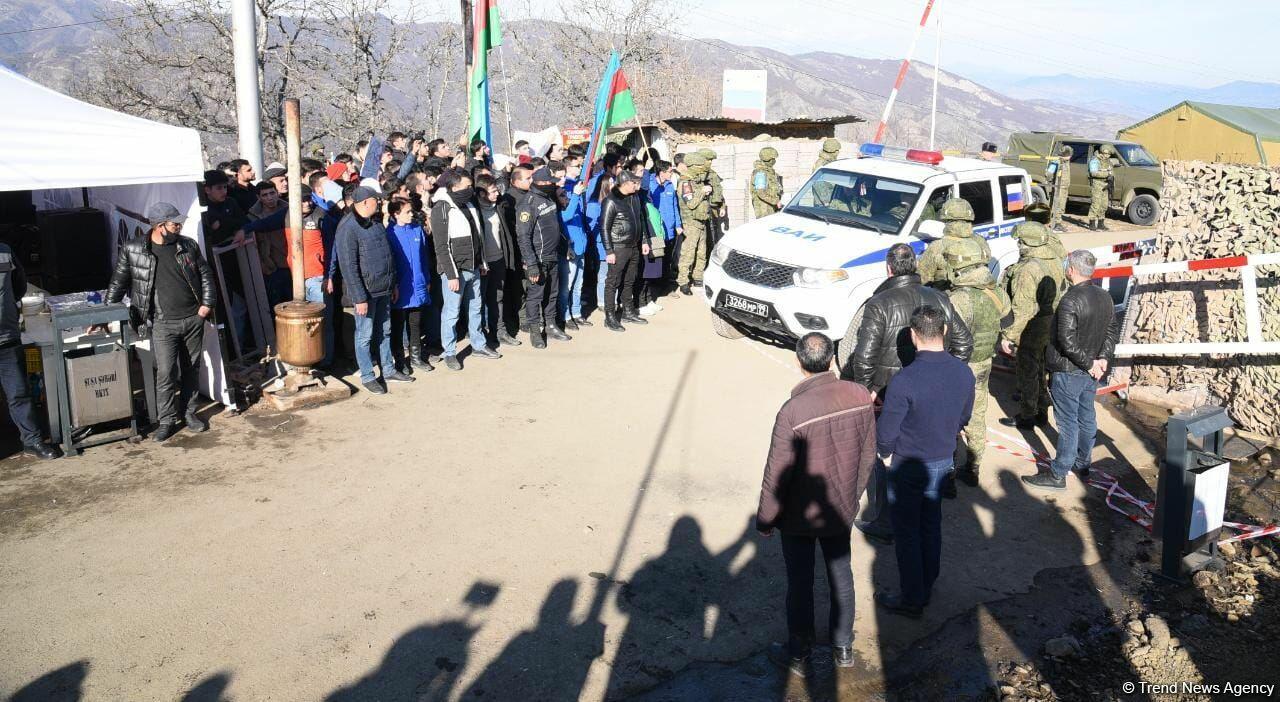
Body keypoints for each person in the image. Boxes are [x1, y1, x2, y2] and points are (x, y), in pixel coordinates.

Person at [756, 333, 876, 674]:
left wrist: (766, 520)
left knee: (800, 583)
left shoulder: (793, 411)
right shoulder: (859, 395)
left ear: (799, 362)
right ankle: (843, 648)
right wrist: (853, 495)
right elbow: (868, 454)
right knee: (841, 575)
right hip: (840, 508)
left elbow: (777, 473)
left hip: (799, 518)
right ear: (832, 358)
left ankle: (799, 653)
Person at [845, 243, 973, 543]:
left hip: (887, 394)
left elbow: (863, 358)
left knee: (886, 453)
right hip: (931, 396)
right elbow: (964, 343)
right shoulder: (939, 299)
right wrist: (945, 376)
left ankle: (887, 521)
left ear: (888, 268)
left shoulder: (879, 303)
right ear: (914, 265)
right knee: (931, 447)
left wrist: (868, 390)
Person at [874, 306, 975, 618]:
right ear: (944, 332)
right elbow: (964, 416)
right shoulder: (964, 372)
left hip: (908, 465)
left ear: (912, 335)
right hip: (943, 461)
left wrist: (886, 455)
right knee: (931, 524)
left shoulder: (904, 380)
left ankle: (912, 598)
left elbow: (886, 432)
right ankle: (927, 581)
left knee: (907, 532)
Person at [106, 202, 216, 442]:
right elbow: (118, 283)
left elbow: (205, 274)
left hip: (193, 318)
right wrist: (103, 317)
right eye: (174, 223)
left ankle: (189, 413)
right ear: (159, 226)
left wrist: (206, 306)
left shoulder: (187, 245)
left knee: (191, 368)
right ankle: (166, 421)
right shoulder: (134, 249)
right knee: (166, 372)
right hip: (162, 323)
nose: (179, 226)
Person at [1025, 250, 1120, 490]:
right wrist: (1102, 359)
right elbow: (1111, 331)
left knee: (1068, 424)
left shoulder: (1070, 300)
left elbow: (1066, 341)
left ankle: (1058, 474)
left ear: (1071, 270)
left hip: (1070, 371)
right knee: (1087, 417)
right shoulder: (1105, 296)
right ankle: (1083, 463)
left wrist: (1091, 363)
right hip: (1091, 371)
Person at [943, 238, 1010, 487]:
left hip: (959, 366)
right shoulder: (997, 292)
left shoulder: (958, 299)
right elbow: (1009, 322)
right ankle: (973, 467)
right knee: (977, 415)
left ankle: (948, 474)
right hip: (984, 364)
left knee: (949, 418)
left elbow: (947, 336)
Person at [335, 185, 414, 394]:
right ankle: (368, 375)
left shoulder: (376, 222)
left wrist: (392, 283)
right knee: (364, 335)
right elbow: (349, 267)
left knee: (385, 331)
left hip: (383, 289)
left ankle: (388, 369)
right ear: (364, 203)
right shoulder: (348, 228)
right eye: (375, 200)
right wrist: (359, 297)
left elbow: (387, 255)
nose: (379, 203)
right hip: (365, 293)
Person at [998, 221, 1065, 430]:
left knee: (1028, 370)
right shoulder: (1054, 258)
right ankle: (1042, 411)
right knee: (1042, 368)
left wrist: (1008, 336)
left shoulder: (1028, 269)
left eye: (1020, 240)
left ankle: (1027, 416)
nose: (1018, 244)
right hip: (1051, 321)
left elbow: (1023, 310)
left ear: (1027, 242)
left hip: (1033, 326)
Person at [432, 170, 499, 370]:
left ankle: (478, 344)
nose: (471, 190)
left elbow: (478, 236)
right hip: (455, 271)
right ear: (454, 187)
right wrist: (451, 275)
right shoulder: (442, 208)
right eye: (467, 186)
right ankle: (450, 352)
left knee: (476, 308)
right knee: (451, 313)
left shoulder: (470, 204)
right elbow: (441, 246)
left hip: (474, 266)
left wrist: (482, 262)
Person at [0, 241, 58, 459]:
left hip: (7, 338)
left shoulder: (5, 252)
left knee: (18, 393)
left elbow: (19, 286)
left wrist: (8, 309)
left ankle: (32, 441)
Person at [515, 166, 572, 348]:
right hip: (537, 259)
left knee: (552, 293)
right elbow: (523, 237)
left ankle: (551, 325)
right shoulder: (528, 204)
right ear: (541, 182)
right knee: (535, 296)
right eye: (550, 182)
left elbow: (555, 226)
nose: (553, 185)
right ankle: (535, 331)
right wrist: (531, 264)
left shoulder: (549, 198)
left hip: (553, 255)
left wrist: (565, 246)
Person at [287, 185, 336, 369]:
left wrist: (328, 275)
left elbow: (332, 250)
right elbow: (264, 223)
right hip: (297, 280)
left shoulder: (321, 216)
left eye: (309, 199)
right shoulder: (287, 215)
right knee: (304, 323)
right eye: (302, 200)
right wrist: (244, 229)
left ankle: (326, 360)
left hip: (318, 278)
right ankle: (309, 358)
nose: (307, 203)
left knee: (322, 322)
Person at [599, 171, 653, 332]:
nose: (637, 185)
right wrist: (609, 250)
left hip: (634, 245)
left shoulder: (634, 197)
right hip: (618, 247)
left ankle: (628, 311)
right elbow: (604, 227)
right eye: (634, 183)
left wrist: (644, 240)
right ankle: (609, 317)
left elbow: (640, 219)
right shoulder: (611, 201)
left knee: (630, 280)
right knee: (612, 282)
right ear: (625, 183)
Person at [475, 174, 522, 349]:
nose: (497, 193)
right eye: (493, 191)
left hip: (499, 260)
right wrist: (480, 261)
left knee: (498, 298)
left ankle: (500, 331)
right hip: (482, 264)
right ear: (482, 193)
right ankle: (482, 334)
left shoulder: (499, 207)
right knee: (479, 302)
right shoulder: (474, 211)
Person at [386, 199, 433, 374]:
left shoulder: (417, 229)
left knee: (415, 323)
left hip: (418, 284)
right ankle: (400, 360)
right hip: (400, 287)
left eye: (411, 211)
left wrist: (427, 279)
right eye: (407, 212)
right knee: (398, 325)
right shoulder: (390, 234)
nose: (411, 214)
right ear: (396, 214)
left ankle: (416, 357)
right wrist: (394, 285)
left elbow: (424, 257)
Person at [917, 198, 992, 289]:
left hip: (950, 295)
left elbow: (922, 280)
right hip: (980, 291)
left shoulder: (938, 246)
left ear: (946, 218)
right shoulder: (981, 241)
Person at [557, 160, 591, 330]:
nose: (580, 169)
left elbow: (579, 218)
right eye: (577, 166)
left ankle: (576, 312)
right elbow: (566, 216)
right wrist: (576, 195)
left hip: (580, 245)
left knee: (578, 283)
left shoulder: (574, 192)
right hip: (569, 248)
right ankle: (564, 315)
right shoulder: (560, 196)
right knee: (567, 286)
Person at [247, 180, 290, 308]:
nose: (270, 198)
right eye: (265, 195)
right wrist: (262, 266)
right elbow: (254, 246)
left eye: (272, 193)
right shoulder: (253, 217)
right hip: (271, 267)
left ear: (277, 193)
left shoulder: (289, 210)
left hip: (290, 263)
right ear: (259, 197)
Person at [675, 153, 712, 295]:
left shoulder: (697, 181)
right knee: (688, 254)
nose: (702, 168)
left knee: (702, 252)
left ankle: (698, 277)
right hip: (690, 223)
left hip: (701, 220)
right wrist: (702, 192)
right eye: (700, 165)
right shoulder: (685, 183)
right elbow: (690, 204)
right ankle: (683, 281)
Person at [750, 147, 784, 219]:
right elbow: (761, 193)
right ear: (768, 159)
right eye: (773, 159)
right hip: (764, 210)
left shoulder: (769, 172)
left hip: (771, 207)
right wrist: (776, 201)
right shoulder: (760, 173)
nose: (774, 161)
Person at [1087, 143, 1114, 231]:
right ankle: (1092, 223)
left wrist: (1110, 179)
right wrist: (1106, 174)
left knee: (1104, 205)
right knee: (1096, 204)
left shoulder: (1108, 162)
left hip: (1105, 185)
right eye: (1106, 153)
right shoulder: (1095, 160)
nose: (1107, 156)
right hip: (1097, 184)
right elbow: (1093, 173)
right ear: (1102, 152)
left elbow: (1111, 172)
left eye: (1109, 154)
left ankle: (1100, 223)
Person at [1046, 144, 1073, 232]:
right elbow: (1049, 173)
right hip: (1059, 187)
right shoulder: (1057, 161)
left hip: (1065, 187)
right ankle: (1055, 224)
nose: (1070, 157)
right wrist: (1049, 180)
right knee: (1057, 204)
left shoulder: (1066, 161)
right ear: (1065, 155)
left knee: (1062, 205)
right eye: (1069, 155)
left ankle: (1058, 222)